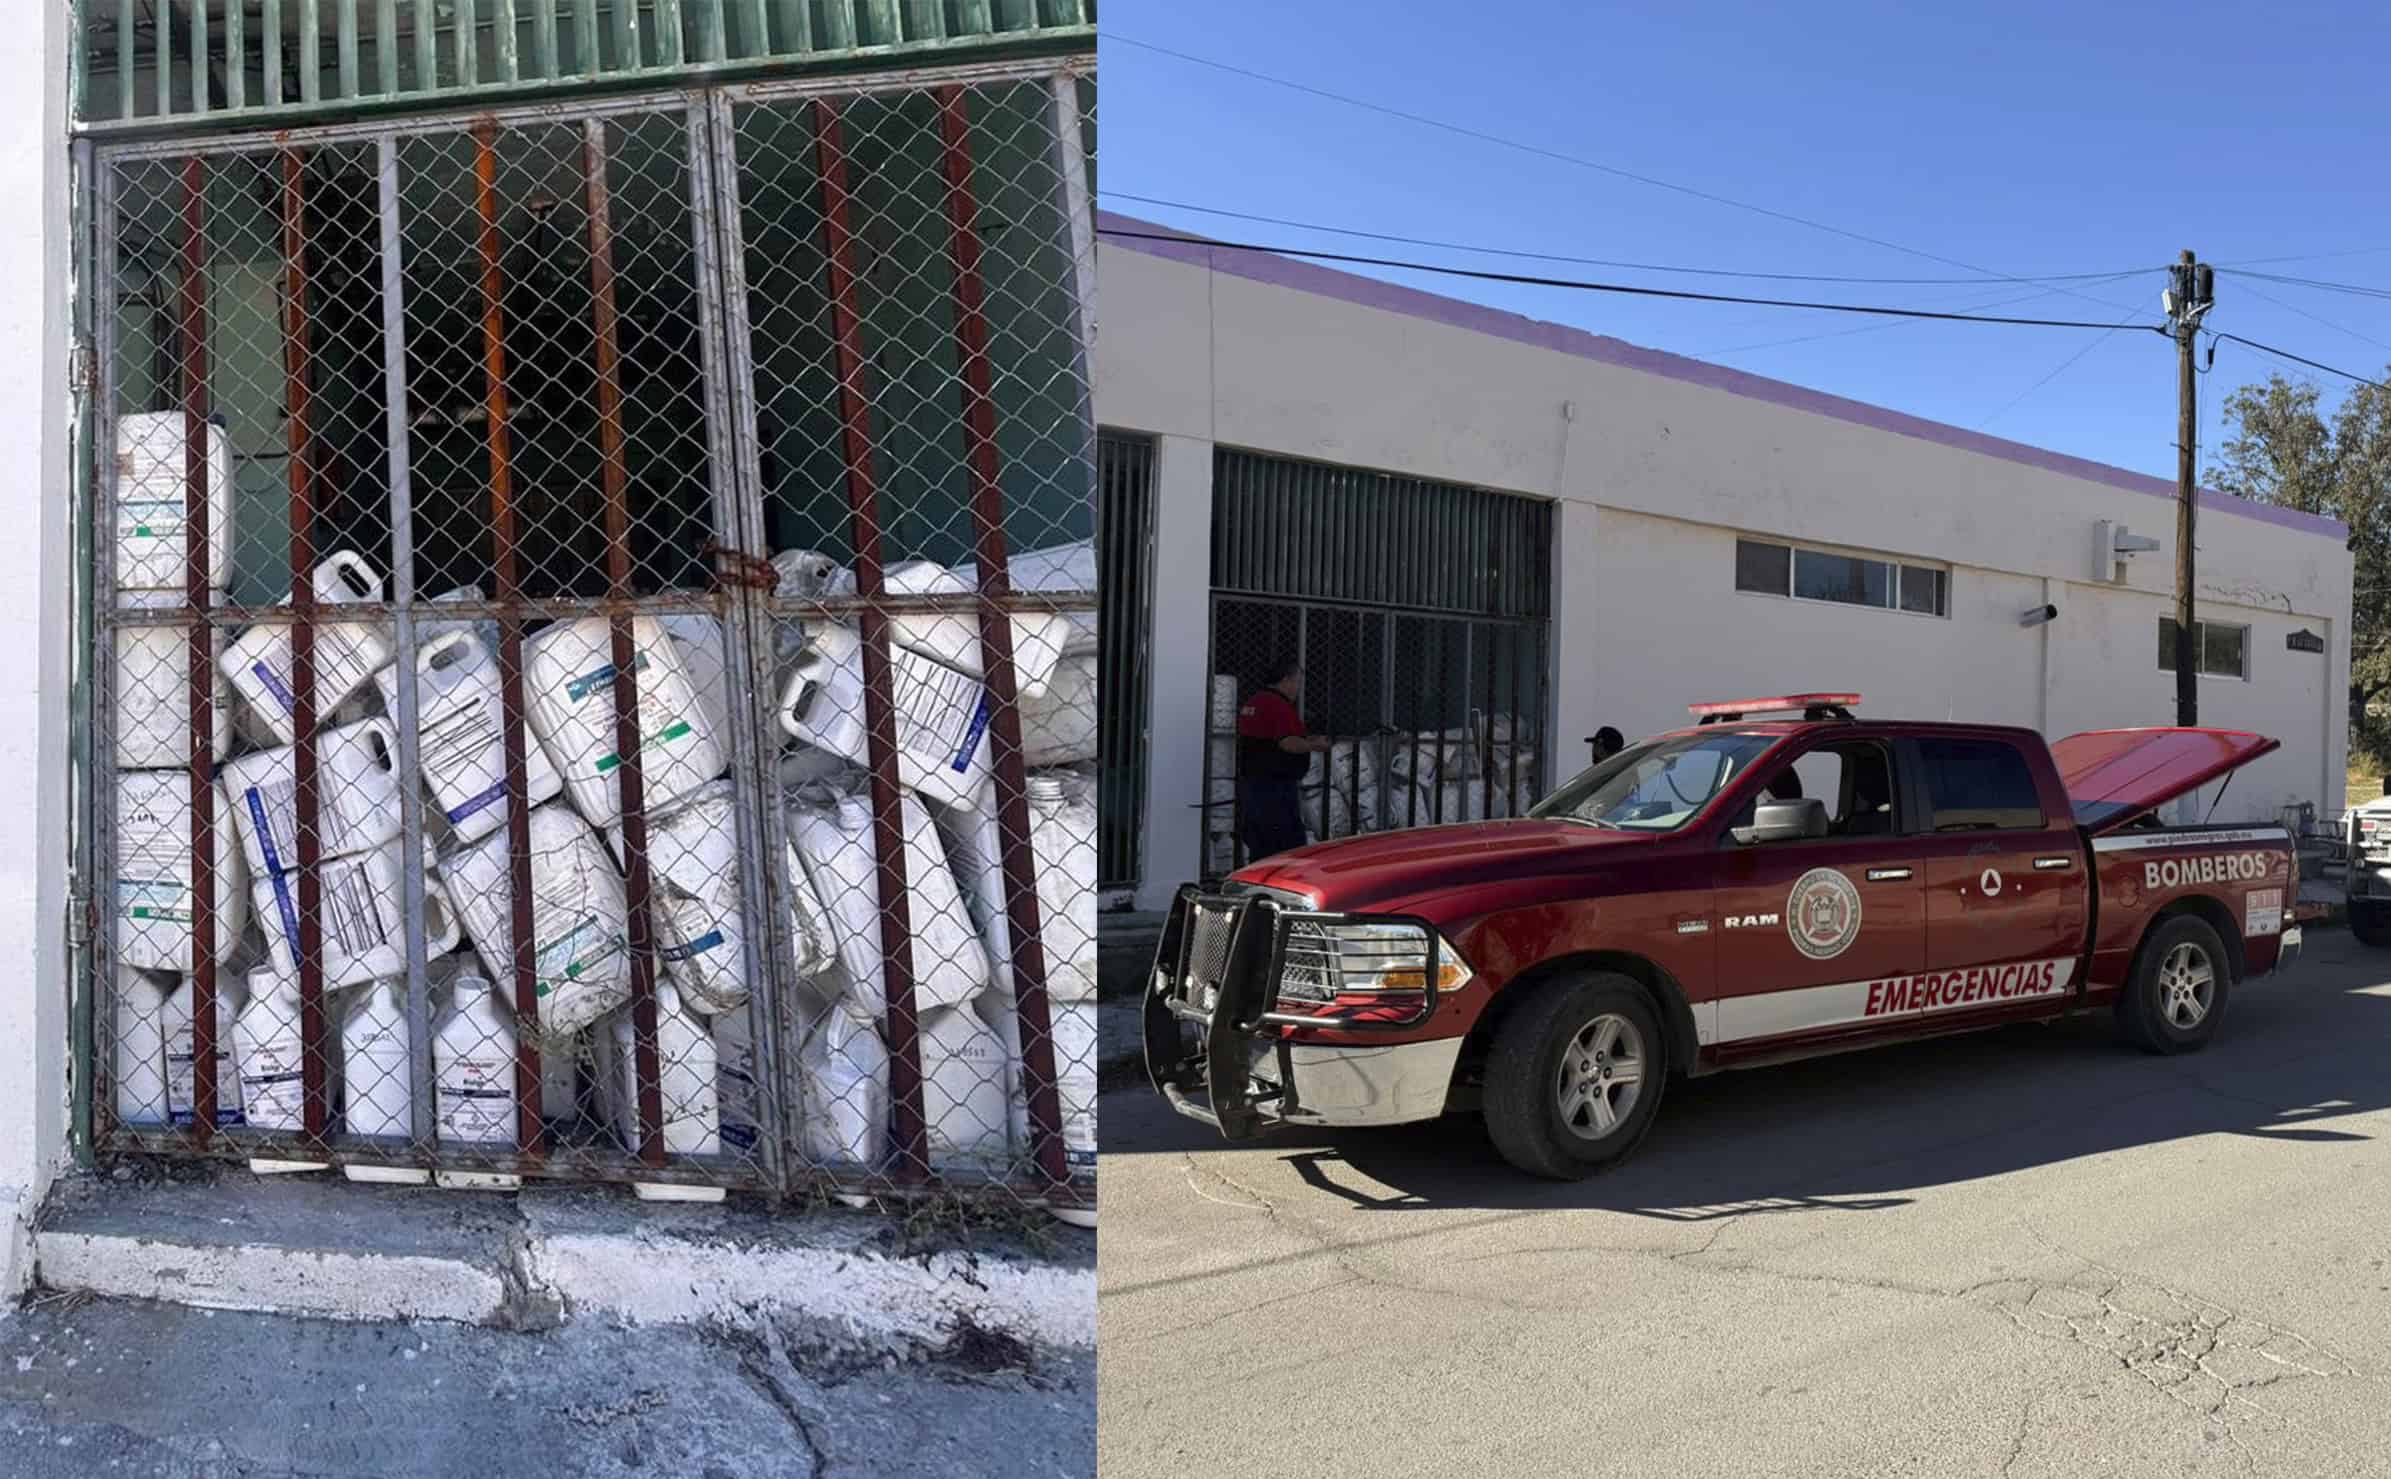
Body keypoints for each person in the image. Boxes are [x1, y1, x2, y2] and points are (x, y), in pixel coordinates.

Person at [1236, 656, 1331, 861]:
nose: (1298, 689)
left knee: (1260, 841)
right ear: (1286, 680)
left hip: (1254, 783)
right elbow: (1286, 742)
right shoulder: (1278, 705)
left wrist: (1305, 739)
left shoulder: (1254, 702)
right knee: (1286, 843)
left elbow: (1265, 738)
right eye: (1297, 682)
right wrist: (1315, 745)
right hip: (1276, 787)